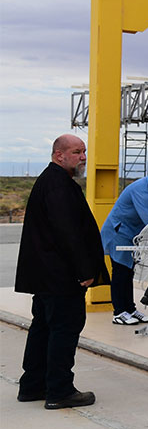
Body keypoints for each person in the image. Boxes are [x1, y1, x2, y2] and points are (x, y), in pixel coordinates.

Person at [16, 135, 109, 409]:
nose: (83, 157)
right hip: (61, 277)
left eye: (83, 152)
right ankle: (59, 390)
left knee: (43, 328)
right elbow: (68, 233)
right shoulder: (58, 185)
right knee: (64, 329)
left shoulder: (51, 181)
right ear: (59, 155)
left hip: (47, 277)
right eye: (77, 152)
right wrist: (84, 271)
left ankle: (33, 386)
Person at [100, 157, 148, 325]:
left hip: (130, 235)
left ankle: (130, 309)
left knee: (128, 272)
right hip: (118, 232)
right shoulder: (141, 189)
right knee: (120, 272)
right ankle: (119, 312)